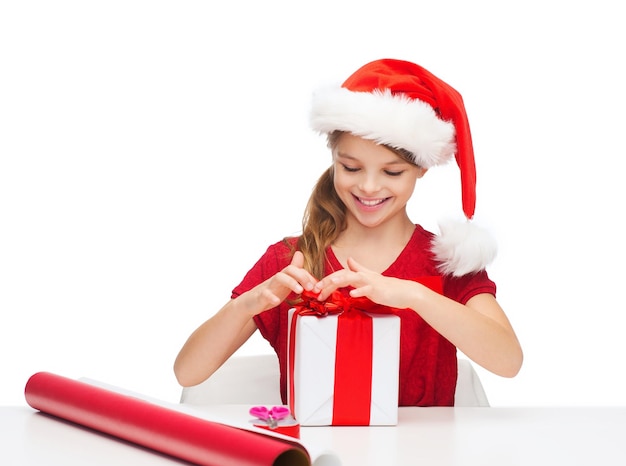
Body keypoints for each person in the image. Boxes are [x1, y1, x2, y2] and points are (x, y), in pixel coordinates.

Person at [174, 59, 522, 406]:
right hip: (318, 458)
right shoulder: (290, 261)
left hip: (423, 459)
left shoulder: (445, 261)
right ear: (333, 159)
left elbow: (508, 361)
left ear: (421, 169)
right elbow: (187, 373)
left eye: (392, 172)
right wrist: (246, 305)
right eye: (351, 167)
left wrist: (415, 295)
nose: (369, 186)